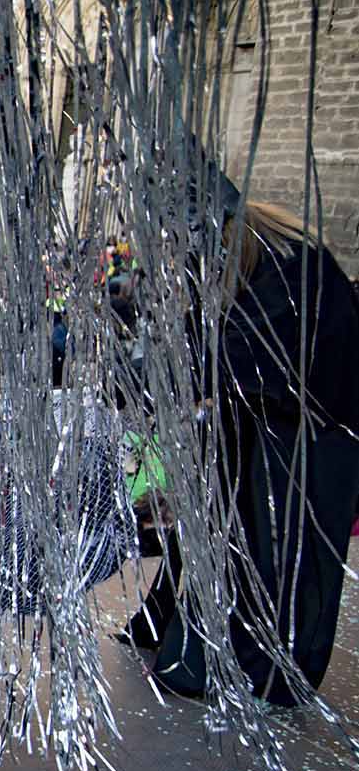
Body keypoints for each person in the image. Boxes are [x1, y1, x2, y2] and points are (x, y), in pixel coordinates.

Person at [138, 197, 359, 704]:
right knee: (240, 542)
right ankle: (214, 651)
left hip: (308, 446)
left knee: (275, 557)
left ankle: (256, 665)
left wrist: (166, 380)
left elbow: (236, 349)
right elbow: (215, 337)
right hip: (278, 432)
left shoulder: (291, 275)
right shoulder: (283, 269)